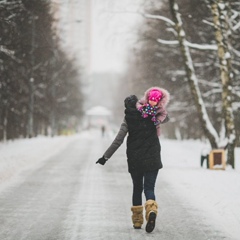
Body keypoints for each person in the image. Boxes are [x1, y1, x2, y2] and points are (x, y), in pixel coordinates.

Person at [96, 90, 170, 233]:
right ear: (137, 102)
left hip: (135, 158)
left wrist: (105, 157)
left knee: (137, 188)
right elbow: (166, 117)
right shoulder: (150, 113)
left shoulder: (128, 119)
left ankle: (137, 221)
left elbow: (118, 140)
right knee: (149, 188)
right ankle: (151, 211)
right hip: (152, 156)